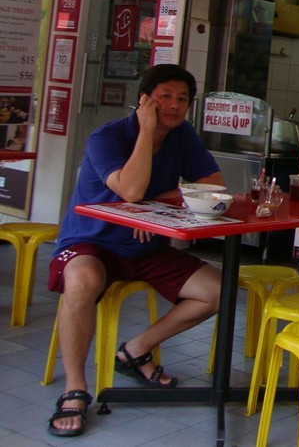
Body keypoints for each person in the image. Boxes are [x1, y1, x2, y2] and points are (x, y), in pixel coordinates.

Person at [46, 64, 223, 438]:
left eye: (182, 99)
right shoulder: (107, 137)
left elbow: (215, 186)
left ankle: (135, 350)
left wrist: (156, 203)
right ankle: (74, 388)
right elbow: (129, 189)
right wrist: (145, 130)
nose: (174, 106)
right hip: (92, 241)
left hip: (147, 244)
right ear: (144, 100)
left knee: (216, 292)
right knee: (82, 282)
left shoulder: (183, 136)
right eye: (165, 97)